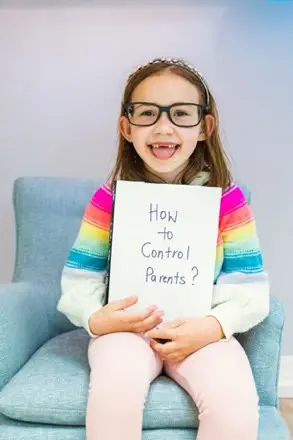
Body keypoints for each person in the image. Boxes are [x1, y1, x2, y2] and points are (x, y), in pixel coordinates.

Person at [57, 57, 269, 440]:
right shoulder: (110, 200)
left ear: (205, 128)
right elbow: (79, 279)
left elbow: (250, 290)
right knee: (115, 389)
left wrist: (213, 326)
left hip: (201, 330)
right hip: (126, 330)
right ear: (126, 127)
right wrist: (95, 319)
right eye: (147, 113)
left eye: (181, 114)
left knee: (233, 401)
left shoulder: (227, 201)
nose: (163, 127)